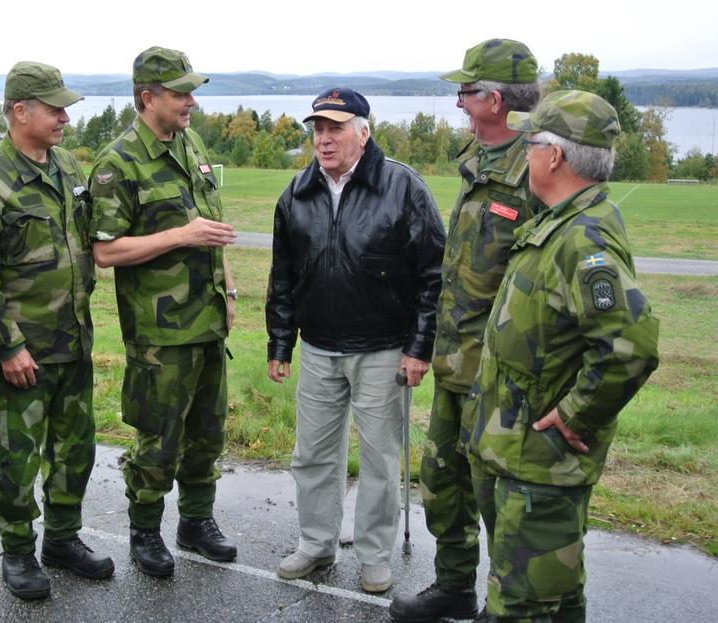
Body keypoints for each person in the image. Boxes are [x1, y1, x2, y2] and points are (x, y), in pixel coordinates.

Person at [468, 90, 660, 621]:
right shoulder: (560, 222)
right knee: (555, 600)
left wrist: (577, 414)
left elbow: (630, 345)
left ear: (554, 157)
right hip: (518, 457)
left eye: (531, 143)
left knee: (526, 607)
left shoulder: (585, 238)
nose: (525, 152)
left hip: (540, 466)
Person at [265, 87, 445, 593]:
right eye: (318, 129)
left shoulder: (403, 187)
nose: (324, 139)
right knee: (313, 454)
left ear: (363, 132)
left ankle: (373, 554)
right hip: (319, 347)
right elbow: (283, 278)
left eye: (335, 128)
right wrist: (281, 344)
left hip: (384, 348)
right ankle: (317, 544)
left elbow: (433, 275)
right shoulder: (296, 194)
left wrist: (420, 346)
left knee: (381, 459)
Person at [391, 38, 543, 622]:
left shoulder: (537, 168)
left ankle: (504, 603)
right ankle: (453, 584)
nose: (457, 102)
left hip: (502, 372)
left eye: (465, 91)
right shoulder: (478, 159)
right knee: (442, 481)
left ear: (495, 99)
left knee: (495, 495)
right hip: (457, 362)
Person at [0, 61, 111, 600]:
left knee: (76, 449)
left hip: (73, 341)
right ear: (20, 111)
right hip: (21, 352)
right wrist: (7, 346)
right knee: (17, 456)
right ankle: (17, 550)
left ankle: (63, 539)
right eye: (54, 108)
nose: (65, 117)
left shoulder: (66, 165)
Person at [88, 46, 238, 577]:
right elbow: (105, 251)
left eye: (191, 91)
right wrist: (181, 234)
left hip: (208, 321)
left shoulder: (190, 143)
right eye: (180, 93)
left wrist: (230, 289)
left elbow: (211, 228)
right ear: (148, 98)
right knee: (159, 438)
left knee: (208, 433)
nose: (190, 102)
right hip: (160, 331)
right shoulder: (119, 163)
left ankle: (196, 522)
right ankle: (145, 531)